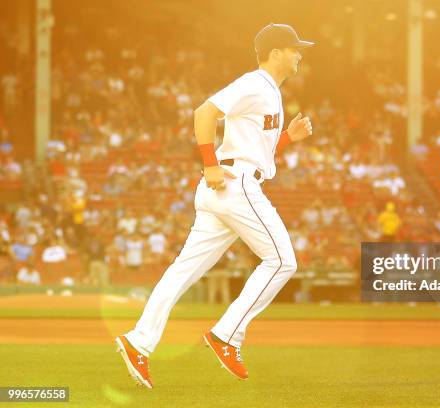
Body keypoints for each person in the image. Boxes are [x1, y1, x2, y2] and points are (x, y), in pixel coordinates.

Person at [115, 23, 314, 388]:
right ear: (275, 53)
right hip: (234, 185)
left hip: (229, 186)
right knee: (283, 261)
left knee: (182, 272)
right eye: (294, 48)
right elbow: (203, 113)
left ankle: (138, 340)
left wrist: (287, 138)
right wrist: (209, 163)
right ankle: (227, 335)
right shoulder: (255, 83)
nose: (299, 54)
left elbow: (257, 153)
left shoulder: (269, 91)